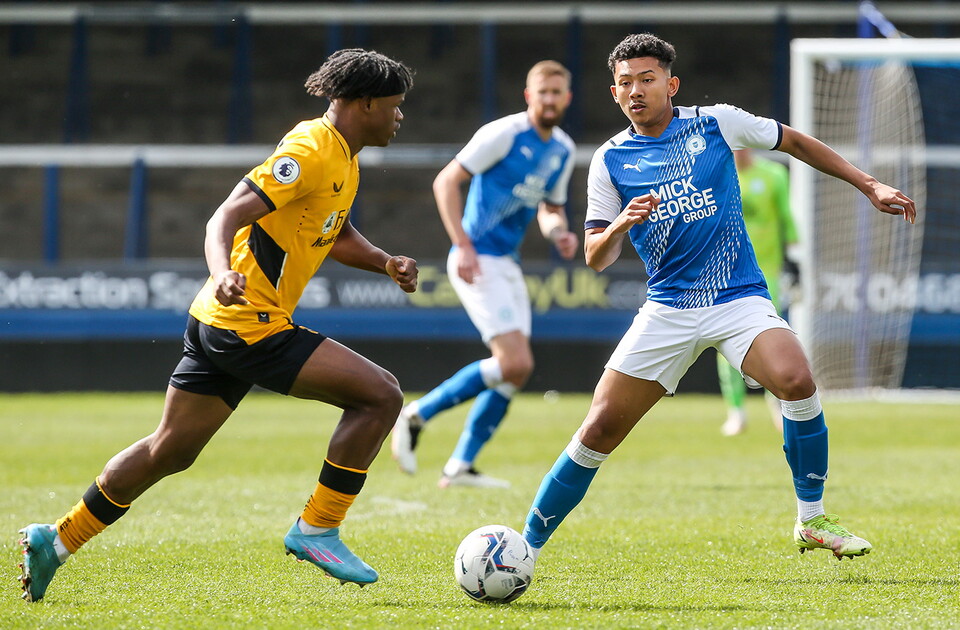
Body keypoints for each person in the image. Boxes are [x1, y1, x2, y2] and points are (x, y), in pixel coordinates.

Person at [17, 48, 418, 602]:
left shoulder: (343, 157)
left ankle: (57, 540)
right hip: (248, 322)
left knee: (169, 450)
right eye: (395, 105)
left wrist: (384, 262)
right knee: (381, 395)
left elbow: (334, 229)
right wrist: (223, 270)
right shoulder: (310, 150)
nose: (400, 116)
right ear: (366, 103)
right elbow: (224, 216)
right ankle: (318, 528)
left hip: (219, 321)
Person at [519, 33, 915, 569]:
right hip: (668, 308)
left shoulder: (716, 123)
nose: (636, 91)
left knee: (796, 379)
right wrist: (618, 226)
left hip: (737, 298)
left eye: (647, 79)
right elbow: (595, 256)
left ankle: (812, 518)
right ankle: (523, 549)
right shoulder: (609, 160)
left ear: (671, 85)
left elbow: (795, 142)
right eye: (625, 83)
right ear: (614, 93)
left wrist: (869, 185)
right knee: (599, 429)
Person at [391, 60, 578, 488]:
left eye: (557, 93)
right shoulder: (504, 133)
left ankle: (460, 466)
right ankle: (416, 414)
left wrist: (560, 233)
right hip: (477, 258)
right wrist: (463, 244)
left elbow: (551, 207)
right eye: (543, 92)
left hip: (506, 261)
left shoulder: (563, 149)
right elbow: (446, 182)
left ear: (567, 98)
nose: (550, 100)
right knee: (515, 362)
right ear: (529, 96)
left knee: (516, 371)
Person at [719, 148, 798, 436]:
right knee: (724, 340)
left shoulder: (774, 174)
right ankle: (736, 411)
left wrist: (795, 261)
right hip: (726, 271)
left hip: (767, 271)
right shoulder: (716, 173)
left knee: (771, 338)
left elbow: (785, 216)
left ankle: (776, 403)